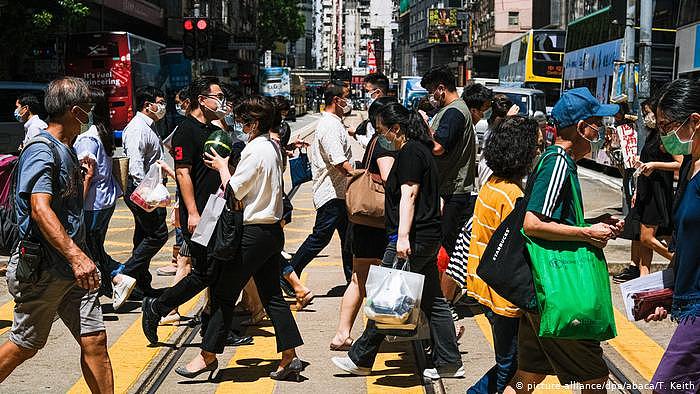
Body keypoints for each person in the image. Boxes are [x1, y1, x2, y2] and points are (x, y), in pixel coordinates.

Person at [504, 87, 624, 394]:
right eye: (598, 123)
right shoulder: (558, 162)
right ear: (582, 127)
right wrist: (586, 233)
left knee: (527, 375)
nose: (602, 130)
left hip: (544, 289)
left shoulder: (558, 161)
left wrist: (593, 224)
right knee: (595, 378)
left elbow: (553, 219)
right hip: (556, 291)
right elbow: (533, 223)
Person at [332, 102, 464, 379]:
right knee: (434, 301)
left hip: (411, 238)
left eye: (382, 130)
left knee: (386, 297)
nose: (381, 136)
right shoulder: (421, 151)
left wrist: (402, 237)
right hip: (424, 235)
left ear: (396, 128)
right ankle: (450, 362)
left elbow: (410, 195)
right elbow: (435, 199)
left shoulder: (410, 153)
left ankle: (361, 357)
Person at [0, 77, 114, 391]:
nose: (93, 113)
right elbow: (40, 208)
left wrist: (85, 180)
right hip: (46, 269)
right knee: (26, 344)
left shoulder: (67, 148)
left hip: (74, 269)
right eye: (89, 108)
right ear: (75, 111)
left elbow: (68, 207)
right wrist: (77, 256)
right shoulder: (41, 149)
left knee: (95, 341)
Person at [200, 96, 306, 381]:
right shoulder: (273, 147)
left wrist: (223, 166)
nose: (240, 125)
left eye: (244, 121)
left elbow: (234, 189)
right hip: (271, 231)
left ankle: (207, 356)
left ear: (255, 123)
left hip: (254, 233)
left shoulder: (255, 149)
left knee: (223, 292)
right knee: (272, 295)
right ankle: (289, 356)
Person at [141, 77, 252, 348]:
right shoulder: (186, 131)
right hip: (201, 214)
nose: (223, 102)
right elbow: (182, 172)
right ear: (202, 100)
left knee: (221, 271)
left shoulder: (211, 128)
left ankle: (214, 331)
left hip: (218, 211)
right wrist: (192, 212)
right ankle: (157, 307)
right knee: (204, 272)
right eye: (218, 96)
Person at [465, 117, 539, 394]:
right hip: (503, 294)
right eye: (534, 148)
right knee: (510, 362)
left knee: (513, 359)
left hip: (484, 284)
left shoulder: (491, 184)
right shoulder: (512, 196)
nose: (536, 153)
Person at [645, 78, 700, 393]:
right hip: (688, 301)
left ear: (694, 121)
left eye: (667, 126)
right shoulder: (691, 165)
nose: (663, 134)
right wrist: (670, 291)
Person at [330, 96, 396, 351]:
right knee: (382, 278)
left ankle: (342, 334)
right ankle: (379, 332)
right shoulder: (386, 144)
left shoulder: (373, 141)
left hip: (363, 222)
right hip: (376, 223)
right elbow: (389, 179)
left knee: (358, 280)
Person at [285, 82, 354, 290]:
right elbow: (339, 162)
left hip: (339, 193)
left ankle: (353, 280)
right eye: (346, 97)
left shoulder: (334, 122)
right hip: (332, 193)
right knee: (320, 238)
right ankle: (288, 273)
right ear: (336, 100)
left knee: (348, 239)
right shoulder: (330, 126)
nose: (348, 102)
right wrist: (360, 176)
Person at [73, 87, 137, 310]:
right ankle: (114, 281)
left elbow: (86, 174)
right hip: (105, 200)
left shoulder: (86, 139)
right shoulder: (102, 132)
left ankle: (119, 278)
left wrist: (77, 203)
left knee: (88, 248)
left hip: (92, 204)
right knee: (94, 246)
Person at [421, 66, 477, 300]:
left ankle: (444, 301)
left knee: (446, 249)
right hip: (449, 189)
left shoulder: (454, 112)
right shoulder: (452, 110)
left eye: (431, 92)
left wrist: (421, 128)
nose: (430, 98)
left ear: (441, 89)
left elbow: (438, 147)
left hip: (452, 191)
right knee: (450, 246)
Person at [613, 97, 680, 283]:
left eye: (648, 113)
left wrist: (654, 165)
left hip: (657, 192)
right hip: (646, 190)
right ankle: (644, 277)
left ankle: (679, 261)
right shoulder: (652, 134)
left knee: (646, 238)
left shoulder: (665, 136)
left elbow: (679, 163)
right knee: (652, 237)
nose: (646, 117)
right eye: (644, 114)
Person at [442, 83, 494, 303]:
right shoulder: (461, 120)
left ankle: (452, 292)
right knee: (452, 247)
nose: (485, 114)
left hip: (460, 191)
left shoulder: (468, 124)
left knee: (457, 245)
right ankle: (447, 296)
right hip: (454, 192)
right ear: (474, 108)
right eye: (483, 109)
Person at [120, 86, 169, 296]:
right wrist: (147, 196)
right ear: (148, 105)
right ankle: (123, 274)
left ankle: (140, 284)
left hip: (151, 187)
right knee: (158, 234)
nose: (163, 106)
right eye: (160, 101)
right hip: (143, 189)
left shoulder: (149, 126)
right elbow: (135, 167)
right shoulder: (137, 129)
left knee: (143, 236)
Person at [158, 87, 192, 277]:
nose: (178, 107)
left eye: (180, 102)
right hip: (189, 198)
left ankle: (167, 306)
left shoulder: (188, 129)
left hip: (192, 201)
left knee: (186, 261)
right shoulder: (187, 126)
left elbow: (185, 174)